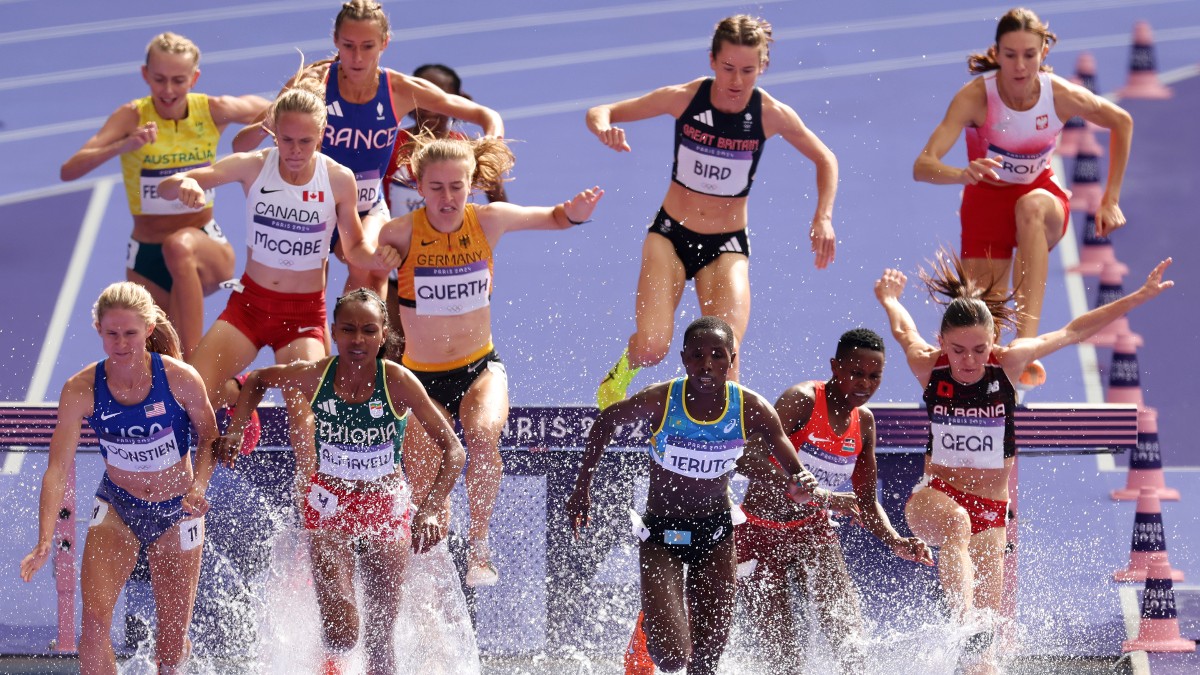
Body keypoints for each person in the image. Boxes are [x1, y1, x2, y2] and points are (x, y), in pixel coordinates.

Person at [874, 253, 1173, 671]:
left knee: (984, 658)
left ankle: (975, 651)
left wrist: (1138, 297)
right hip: (933, 499)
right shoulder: (929, 367)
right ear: (943, 344)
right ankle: (962, 625)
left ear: (993, 341)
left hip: (993, 513)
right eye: (958, 350)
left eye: (979, 350)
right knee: (957, 528)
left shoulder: (1010, 362)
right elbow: (904, 330)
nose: (969, 361)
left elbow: (1073, 331)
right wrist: (889, 299)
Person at [376, 134, 601, 586]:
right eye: (436, 188)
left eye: (456, 187)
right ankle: (433, 556)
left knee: (481, 435)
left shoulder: (489, 221)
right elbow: (361, 258)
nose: (447, 197)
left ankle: (479, 546)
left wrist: (574, 213)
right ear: (419, 187)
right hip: (420, 378)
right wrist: (378, 262)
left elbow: (553, 218)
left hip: (480, 367)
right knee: (425, 483)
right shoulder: (399, 232)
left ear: (472, 184)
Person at [588, 14, 838, 408]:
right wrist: (604, 127)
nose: (737, 81)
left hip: (726, 245)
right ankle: (622, 370)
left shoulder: (771, 114)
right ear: (711, 60)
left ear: (763, 67)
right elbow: (602, 110)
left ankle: (722, 448)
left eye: (748, 70)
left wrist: (822, 216)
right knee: (653, 347)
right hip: (671, 235)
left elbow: (826, 159)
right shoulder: (685, 98)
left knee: (727, 356)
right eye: (727, 69)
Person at [218, 289, 465, 674]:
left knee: (380, 640)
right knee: (343, 633)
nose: (358, 340)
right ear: (334, 332)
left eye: (369, 330)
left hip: (386, 507)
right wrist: (234, 430)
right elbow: (259, 380)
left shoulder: (398, 382)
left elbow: (455, 451)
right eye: (348, 329)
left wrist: (431, 507)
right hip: (329, 504)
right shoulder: (317, 375)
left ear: (384, 334)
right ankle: (329, 662)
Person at [567, 316, 823, 675]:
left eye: (717, 355)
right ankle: (651, 627)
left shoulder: (751, 407)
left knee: (704, 664)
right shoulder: (661, 399)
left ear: (731, 360)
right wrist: (582, 489)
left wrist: (801, 479)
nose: (706, 365)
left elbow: (789, 460)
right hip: (662, 535)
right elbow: (606, 421)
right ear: (684, 358)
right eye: (697, 355)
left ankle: (667, 621)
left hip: (715, 535)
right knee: (671, 658)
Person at [157, 83, 399, 459]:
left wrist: (380, 258)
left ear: (321, 136)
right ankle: (237, 398)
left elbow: (354, 249)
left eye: (306, 141)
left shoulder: (338, 179)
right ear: (274, 134)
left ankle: (312, 517)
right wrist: (186, 183)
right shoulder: (254, 166)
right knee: (189, 396)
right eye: (287, 140)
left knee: (306, 424)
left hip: (303, 315)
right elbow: (171, 186)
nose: (296, 152)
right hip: (250, 306)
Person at [912, 7, 1134, 385]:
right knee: (984, 328)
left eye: (1029, 55)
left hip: (1041, 197)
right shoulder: (975, 98)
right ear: (996, 54)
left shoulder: (1058, 95)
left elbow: (1121, 122)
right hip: (984, 203)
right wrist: (961, 174)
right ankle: (996, 396)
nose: (1020, 66)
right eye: (1010, 55)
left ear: (1043, 53)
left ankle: (1027, 342)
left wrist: (1110, 198)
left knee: (1028, 206)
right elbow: (923, 165)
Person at [232, 0, 503, 301]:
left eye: (367, 46)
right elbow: (239, 144)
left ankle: (367, 348)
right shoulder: (312, 86)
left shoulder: (398, 89)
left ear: (385, 44)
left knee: (372, 269)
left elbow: (485, 115)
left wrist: (491, 142)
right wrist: (270, 120)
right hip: (312, 206)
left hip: (366, 207)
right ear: (335, 41)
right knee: (307, 299)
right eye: (348, 46)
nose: (357, 58)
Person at [20, 282, 219, 674]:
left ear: (148, 329)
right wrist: (44, 539)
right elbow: (56, 468)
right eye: (111, 333)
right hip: (118, 507)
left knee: (171, 644)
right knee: (92, 630)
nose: (121, 342)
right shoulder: (80, 389)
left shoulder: (180, 378)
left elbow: (209, 438)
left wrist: (198, 486)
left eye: (130, 333)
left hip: (178, 511)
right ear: (98, 329)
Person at [732, 328, 932, 673]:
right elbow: (745, 458)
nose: (864, 384)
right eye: (856, 373)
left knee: (849, 638)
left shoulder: (865, 422)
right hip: (758, 534)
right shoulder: (802, 399)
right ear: (835, 366)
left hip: (812, 530)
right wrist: (798, 487)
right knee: (785, 660)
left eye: (874, 376)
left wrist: (895, 540)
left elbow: (866, 503)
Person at [59, 33, 268, 358]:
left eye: (178, 80)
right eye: (159, 80)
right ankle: (195, 379)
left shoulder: (212, 109)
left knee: (179, 247)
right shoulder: (131, 116)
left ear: (194, 78)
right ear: (145, 75)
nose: (168, 90)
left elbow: (274, 110)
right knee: (160, 355)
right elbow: (69, 170)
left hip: (203, 248)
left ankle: (197, 369)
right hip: (147, 259)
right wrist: (123, 146)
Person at [384, 63, 509, 353]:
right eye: (421, 95)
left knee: (450, 353)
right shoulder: (391, 145)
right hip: (399, 270)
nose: (428, 105)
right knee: (394, 351)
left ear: (457, 100)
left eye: (437, 95)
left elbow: (500, 205)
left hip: (450, 271)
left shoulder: (467, 151)